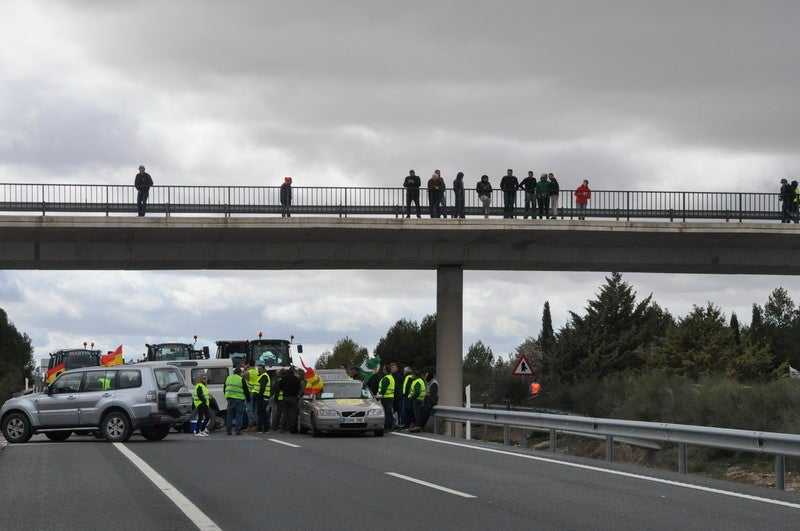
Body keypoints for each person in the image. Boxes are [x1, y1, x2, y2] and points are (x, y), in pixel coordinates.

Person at [224, 367, 249, 435]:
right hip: (239, 399)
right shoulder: (241, 379)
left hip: (230, 399)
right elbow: (246, 390)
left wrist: (226, 396)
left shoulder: (228, 378)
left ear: (234, 372)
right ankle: (238, 431)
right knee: (239, 415)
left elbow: (224, 388)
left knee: (229, 415)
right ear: (240, 373)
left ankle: (228, 431)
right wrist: (248, 399)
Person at [276, 366, 301, 433]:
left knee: (285, 413)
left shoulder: (283, 378)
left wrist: (285, 391)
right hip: (293, 397)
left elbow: (280, 387)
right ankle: (292, 429)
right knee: (293, 413)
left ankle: (282, 428)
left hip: (285, 397)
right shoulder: (295, 379)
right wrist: (296, 394)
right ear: (293, 371)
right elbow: (299, 388)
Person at [376, 367, 396, 432]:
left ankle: (386, 427)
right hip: (391, 397)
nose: (383, 370)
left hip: (385, 397)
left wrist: (379, 395)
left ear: (386, 371)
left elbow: (384, 389)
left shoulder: (385, 378)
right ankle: (390, 427)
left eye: (384, 369)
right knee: (389, 412)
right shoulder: (391, 377)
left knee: (386, 413)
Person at [255, 363, 271, 433]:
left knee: (261, 413)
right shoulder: (262, 375)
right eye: (258, 369)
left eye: (260, 369)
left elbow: (262, 388)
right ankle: (265, 429)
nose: (259, 370)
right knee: (263, 413)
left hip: (263, 397)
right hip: (264, 396)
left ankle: (261, 428)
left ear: (264, 369)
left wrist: (259, 396)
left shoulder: (264, 376)